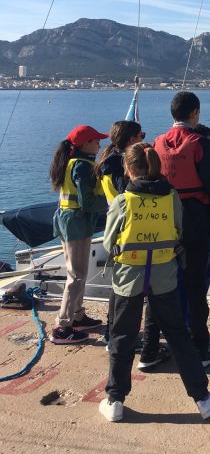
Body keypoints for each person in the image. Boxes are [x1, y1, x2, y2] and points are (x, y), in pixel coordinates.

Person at [99, 143, 210, 422]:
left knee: (123, 335)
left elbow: (109, 242)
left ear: (129, 170)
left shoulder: (123, 201)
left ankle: (115, 400)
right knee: (178, 335)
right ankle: (203, 399)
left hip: (129, 278)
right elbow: (178, 232)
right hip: (164, 276)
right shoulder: (171, 198)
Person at [153, 92, 210, 367]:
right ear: (195, 113)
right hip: (196, 219)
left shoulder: (157, 143)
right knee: (196, 284)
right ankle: (200, 347)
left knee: (165, 282)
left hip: (164, 219)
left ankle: (165, 339)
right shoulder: (199, 144)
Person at [96, 120, 168, 370]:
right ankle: (143, 347)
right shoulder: (118, 168)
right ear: (129, 140)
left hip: (120, 233)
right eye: (141, 135)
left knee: (119, 294)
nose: (143, 139)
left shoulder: (107, 162)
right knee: (138, 297)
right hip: (132, 236)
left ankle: (110, 335)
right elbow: (130, 196)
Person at [49, 125, 108, 344]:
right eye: (95, 141)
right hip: (76, 222)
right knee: (75, 274)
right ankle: (62, 326)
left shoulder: (74, 163)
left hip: (72, 221)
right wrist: (111, 203)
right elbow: (87, 201)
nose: (99, 144)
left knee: (80, 272)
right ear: (84, 144)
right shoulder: (82, 167)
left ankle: (78, 315)